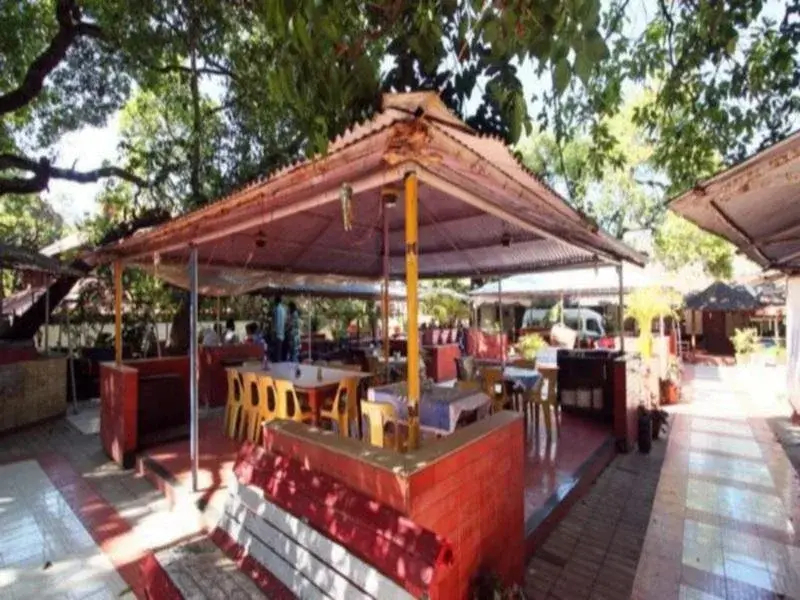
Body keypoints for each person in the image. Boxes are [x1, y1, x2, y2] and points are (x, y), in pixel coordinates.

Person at [272, 296, 287, 361]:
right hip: (282, 333)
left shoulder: (275, 309)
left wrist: (274, 332)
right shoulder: (283, 309)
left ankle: (277, 364)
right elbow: (285, 321)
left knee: (276, 352)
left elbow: (275, 322)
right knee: (279, 351)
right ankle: (279, 362)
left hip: (277, 333)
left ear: (275, 301)